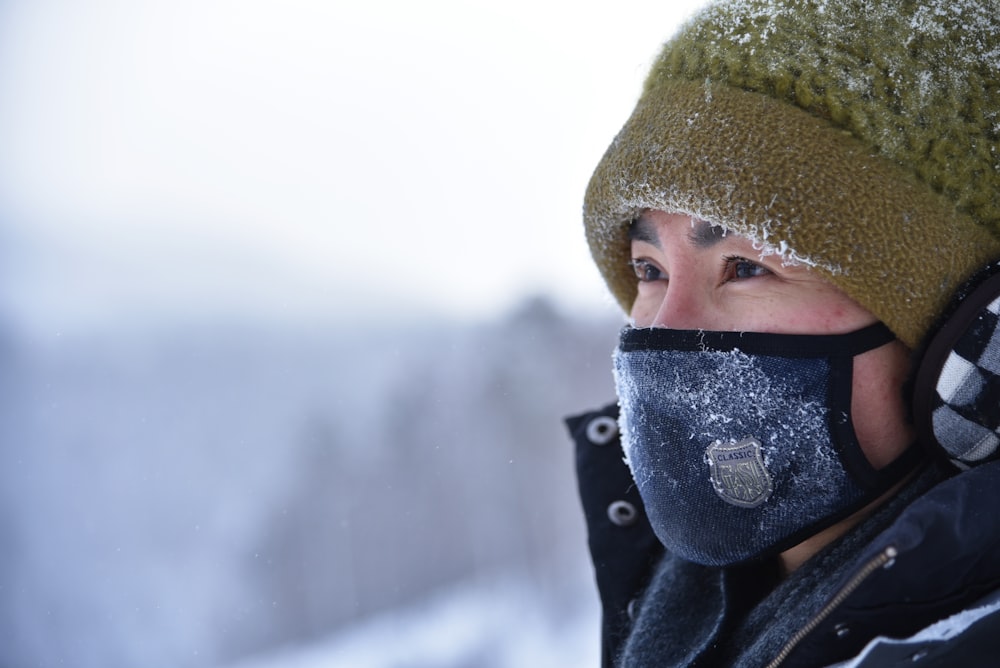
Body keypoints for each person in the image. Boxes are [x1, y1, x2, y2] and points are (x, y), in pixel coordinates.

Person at [566, 1, 1000, 666]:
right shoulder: (669, 609)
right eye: (648, 270)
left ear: (967, 328)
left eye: (745, 266)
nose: (667, 331)